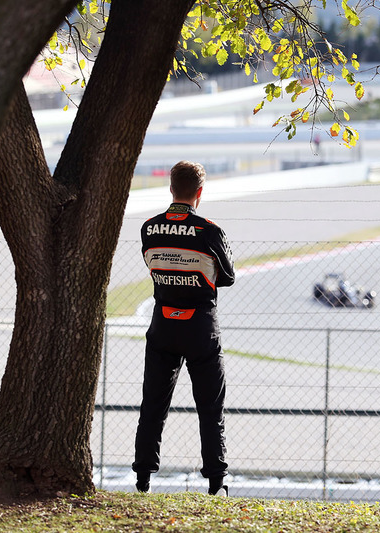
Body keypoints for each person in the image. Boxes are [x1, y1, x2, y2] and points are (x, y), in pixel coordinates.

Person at [133, 160, 235, 496]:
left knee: (153, 404)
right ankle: (216, 482)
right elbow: (228, 277)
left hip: (162, 321)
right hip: (200, 326)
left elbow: (153, 264)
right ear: (199, 192)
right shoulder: (209, 230)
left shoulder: (150, 227)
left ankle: (143, 479)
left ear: (171, 188)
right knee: (210, 406)